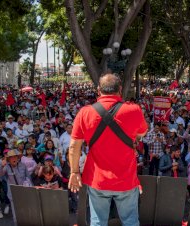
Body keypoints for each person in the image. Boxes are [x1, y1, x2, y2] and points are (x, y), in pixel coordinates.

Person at [68, 74, 148, 226]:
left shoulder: (85, 112)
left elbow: (74, 146)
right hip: (126, 178)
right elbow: (142, 133)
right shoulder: (134, 110)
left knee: (98, 222)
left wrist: (74, 172)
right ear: (120, 89)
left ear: (98, 90)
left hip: (97, 179)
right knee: (130, 221)